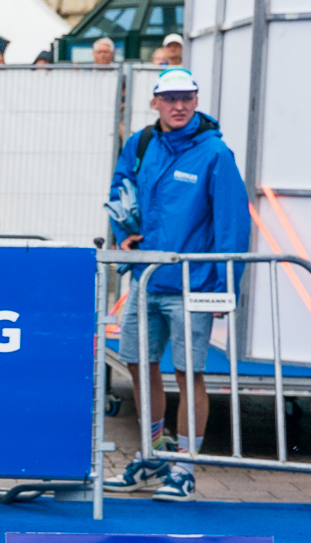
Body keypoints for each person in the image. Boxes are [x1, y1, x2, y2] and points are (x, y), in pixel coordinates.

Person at [103, 68, 249, 504]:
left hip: (192, 283)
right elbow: (121, 190)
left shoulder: (215, 153)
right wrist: (124, 233)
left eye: (187, 97)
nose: (179, 106)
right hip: (145, 279)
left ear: (197, 100)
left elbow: (232, 223)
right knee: (137, 365)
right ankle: (152, 455)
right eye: (170, 98)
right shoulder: (141, 143)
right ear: (155, 103)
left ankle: (184, 468)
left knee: (189, 374)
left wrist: (225, 286)